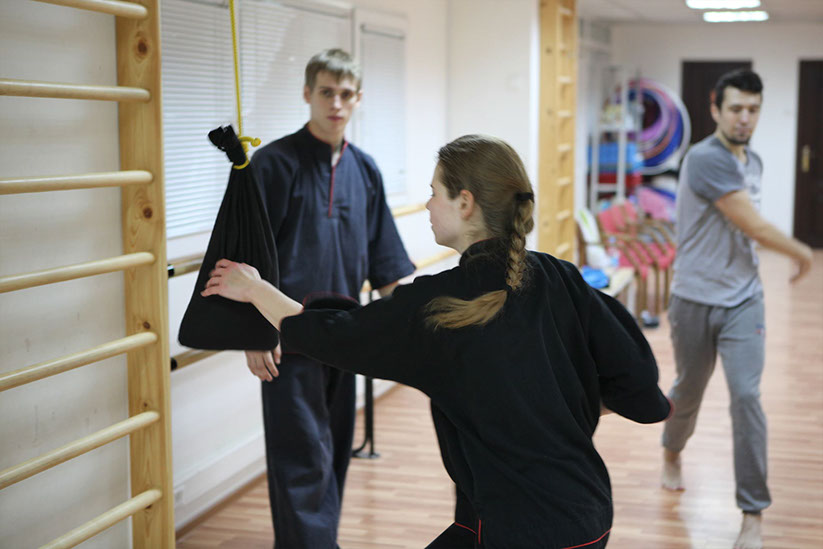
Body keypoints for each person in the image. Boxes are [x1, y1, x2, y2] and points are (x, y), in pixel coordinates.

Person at [205, 134, 673, 548]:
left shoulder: (437, 304)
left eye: (434, 193)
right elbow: (639, 386)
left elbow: (335, 336)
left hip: (522, 530)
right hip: (581, 512)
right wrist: (565, 410)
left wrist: (254, 289)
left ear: (465, 203)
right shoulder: (559, 276)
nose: (428, 205)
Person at [246, 48, 415, 548]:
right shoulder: (272, 164)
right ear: (307, 93)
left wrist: (416, 327)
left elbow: (385, 261)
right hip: (287, 338)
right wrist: (253, 332)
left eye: (345, 94)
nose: (335, 103)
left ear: (358, 98)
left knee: (335, 453)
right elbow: (244, 262)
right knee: (301, 457)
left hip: (348, 337)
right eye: (326, 92)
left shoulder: (366, 170)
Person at [661, 69, 813, 549]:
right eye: (735, 109)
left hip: (744, 299)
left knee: (746, 398)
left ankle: (752, 511)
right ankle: (672, 450)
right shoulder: (706, 158)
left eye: (753, 109)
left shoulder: (755, 160)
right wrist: (803, 252)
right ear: (715, 109)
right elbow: (754, 226)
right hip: (693, 298)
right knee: (688, 390)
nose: (744, 118)